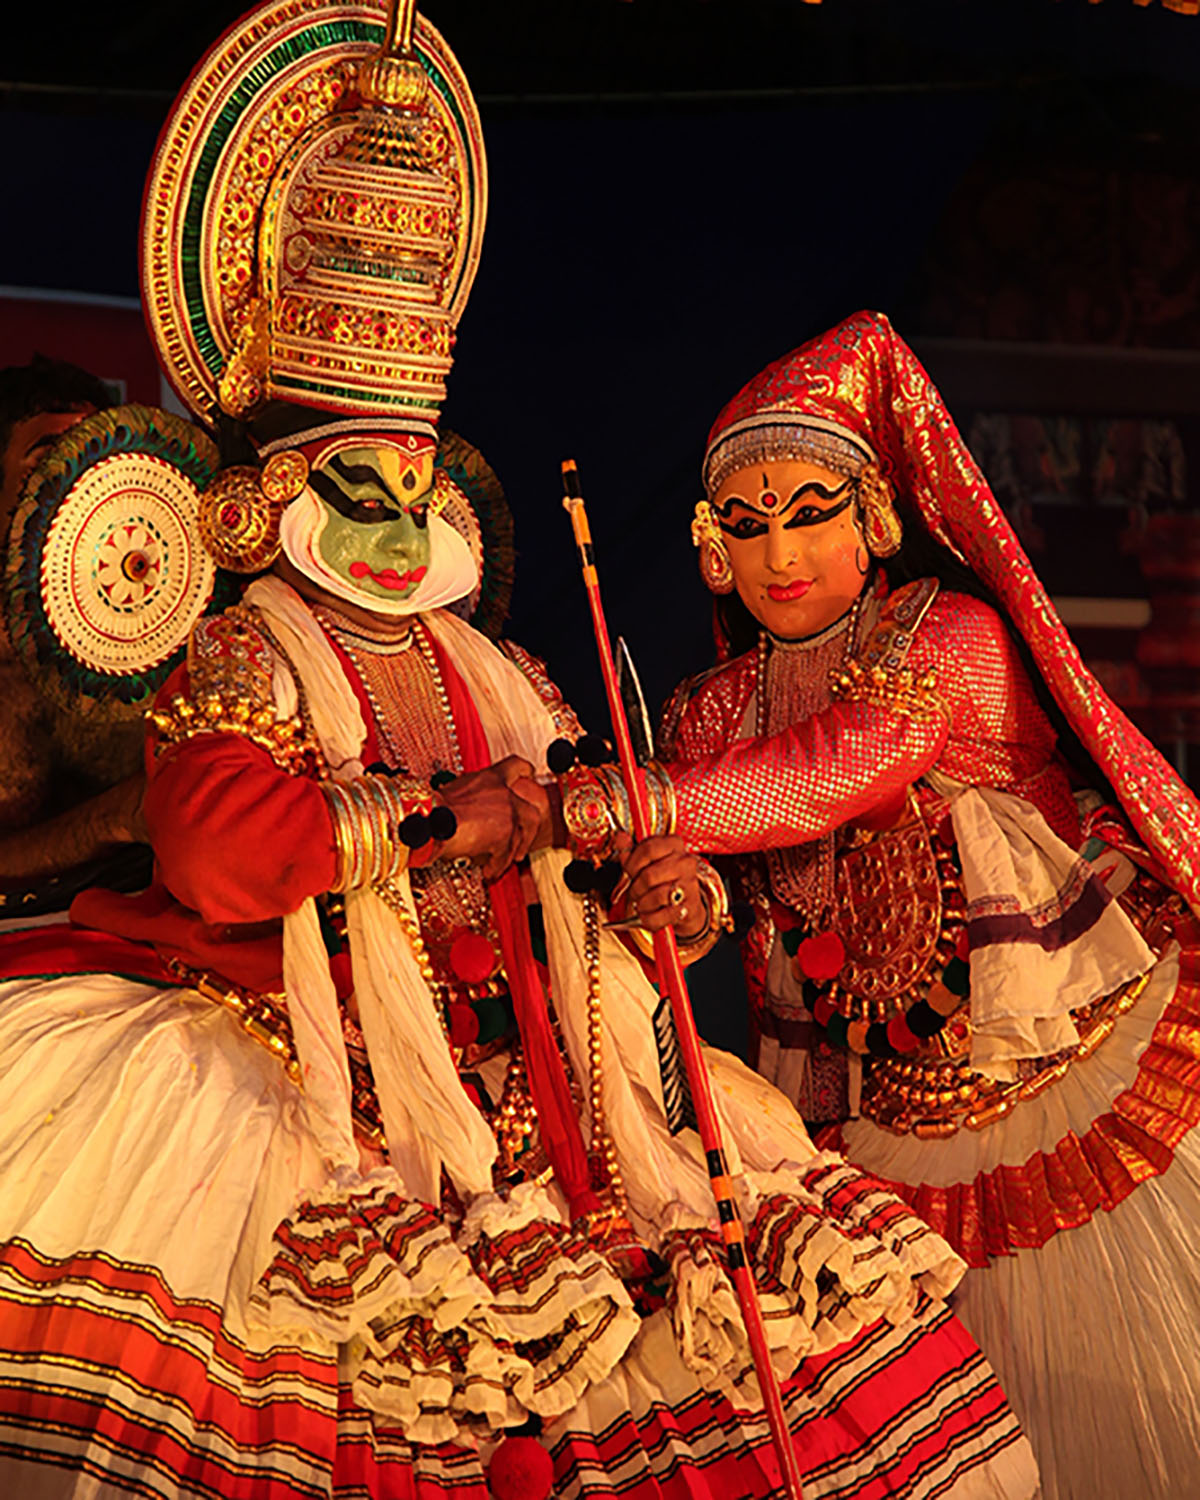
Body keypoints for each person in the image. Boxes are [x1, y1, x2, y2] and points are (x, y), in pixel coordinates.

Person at [0, 7, 1038, 1497]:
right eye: (359, 485)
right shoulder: (246, 653)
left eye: (417, 483)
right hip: (327, 1086)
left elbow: (590, 852)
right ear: (275, 496)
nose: (395, 521)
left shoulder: (505, 671)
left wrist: (673, 896)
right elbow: (218, 849)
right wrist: (444, 827)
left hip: (548, 1092)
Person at [581, 308, 1200, 1500]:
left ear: (875, 519)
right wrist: (682, 901)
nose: (780, 554)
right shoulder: (711, 710)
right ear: (712, 550)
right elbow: (735, 890)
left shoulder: (948, 635)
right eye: (747, 526)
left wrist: (616, 802)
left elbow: (844, 765)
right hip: (863, 1106)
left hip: (1050, 1070)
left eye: (811, 514)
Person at [0, 355, 148, 912]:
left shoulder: (165, 630)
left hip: (143, 923)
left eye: (96, 459)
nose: (81, 483)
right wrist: (116, 818)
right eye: (49, 459)